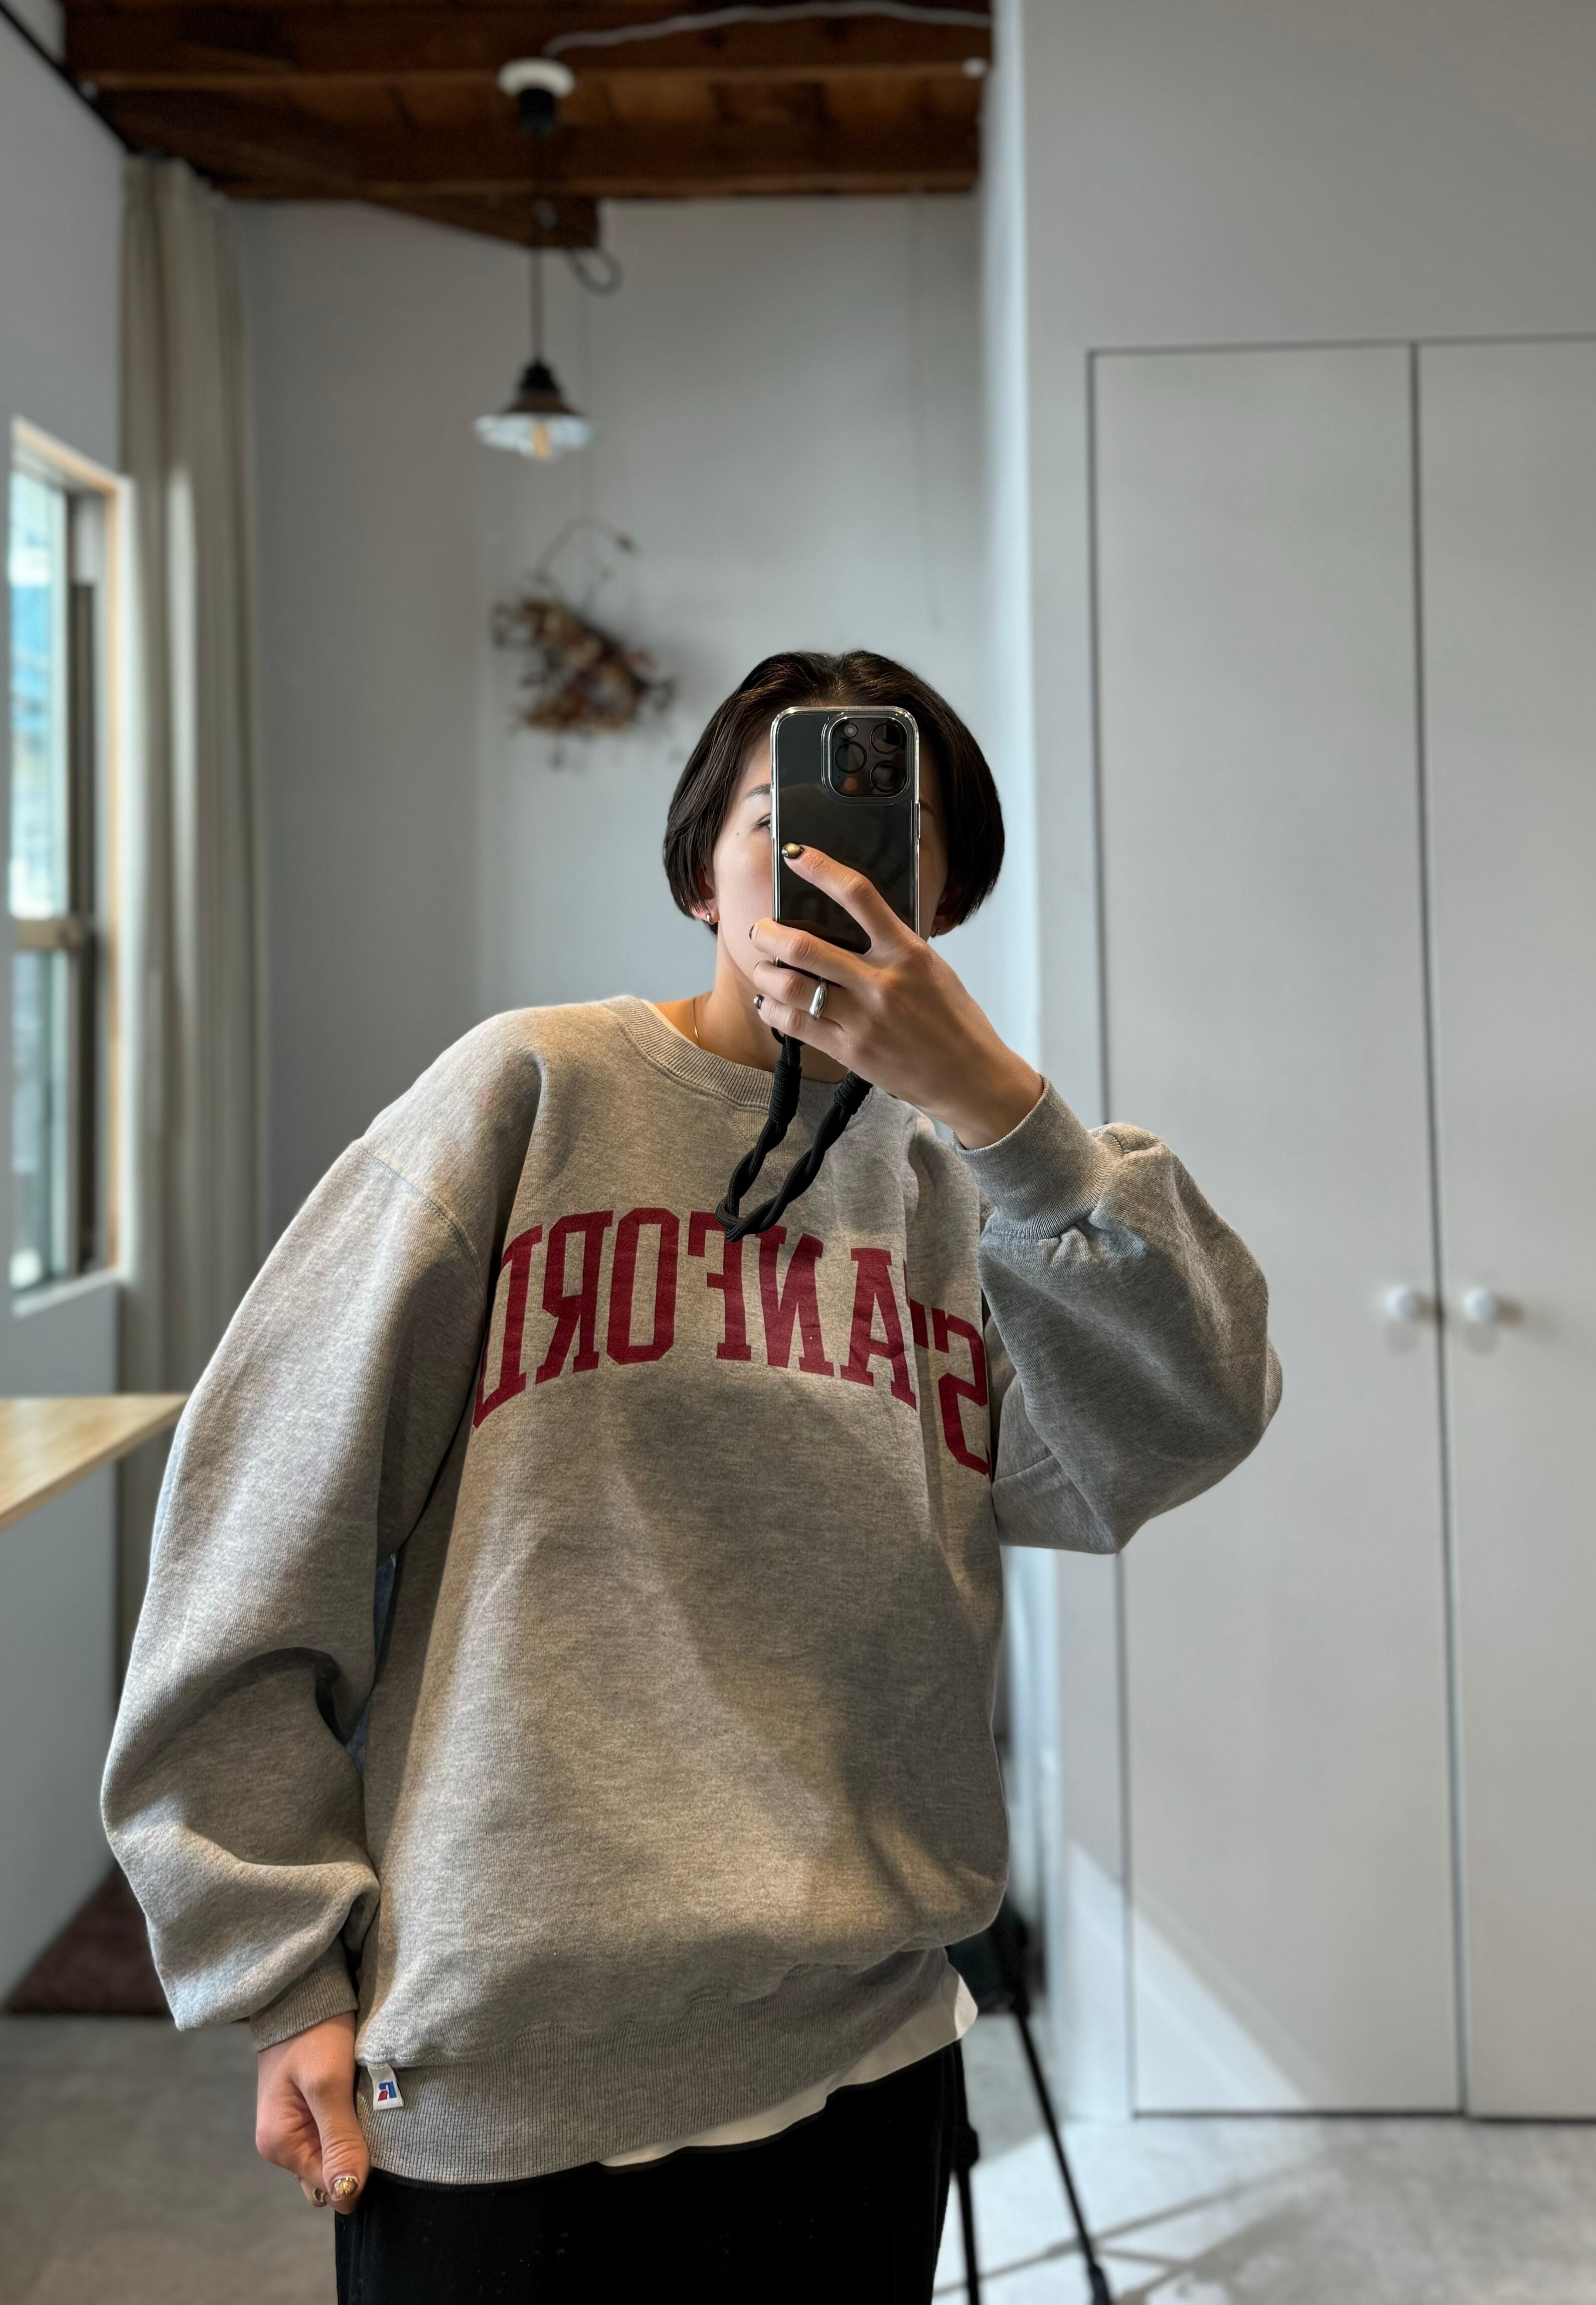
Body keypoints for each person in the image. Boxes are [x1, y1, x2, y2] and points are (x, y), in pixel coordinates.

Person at [102, 648, 1281, 2302]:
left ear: (946, 896)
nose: (833, 864)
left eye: (892, 833)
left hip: (864, 2058)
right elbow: (258, 1523)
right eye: (776, 819)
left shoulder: (984, 1195)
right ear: (697, 872)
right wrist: (280, 1966)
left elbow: (1183, 1420)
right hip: (502, 2067)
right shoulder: (528, 1093)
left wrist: (1007, 1116)